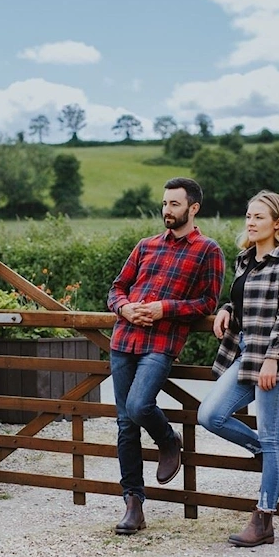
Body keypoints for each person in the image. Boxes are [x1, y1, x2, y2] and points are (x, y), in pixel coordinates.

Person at [196, 190, 279, 547]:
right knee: (210, 415)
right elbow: (243, 302)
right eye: (248, 216)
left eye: (259, 217)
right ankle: (270, 454)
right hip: (247, 353)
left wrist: (272, 358)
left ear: (277, 223)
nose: (250, 222)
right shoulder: (244, 260)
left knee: (271, 435)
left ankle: (264, 519)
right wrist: (225, 309)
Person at [107, 177, 224, 535]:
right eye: (164, 204)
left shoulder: (208, 250)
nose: (167, 211)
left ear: (193, 208)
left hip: (161, 342)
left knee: (139, 407)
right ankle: (133, 503)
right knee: (125, 425)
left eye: (174, 204)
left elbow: (208, 302)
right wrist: (125, 309)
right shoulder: (145, 246)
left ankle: (168, 440)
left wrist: (164, 309)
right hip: (123, 339)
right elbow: (116, 289)